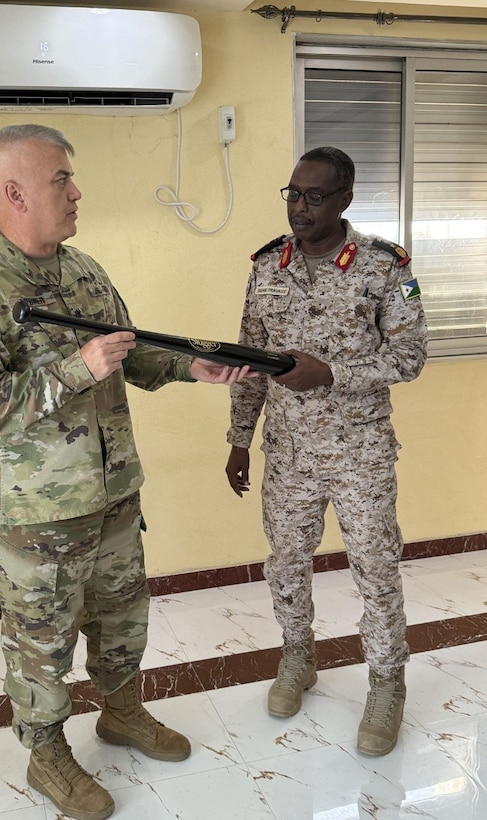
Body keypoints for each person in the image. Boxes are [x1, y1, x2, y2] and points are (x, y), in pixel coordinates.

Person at [0, 123, 251, 820]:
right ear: (14, 193)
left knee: (120, 619)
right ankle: (47, 753)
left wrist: (188, 367)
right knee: (40, 640)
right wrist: (75, 369)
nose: (76, 193)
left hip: (112, 496)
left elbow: (129, 355)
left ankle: (122, 713)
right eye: (61, 181)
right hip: (37, 515)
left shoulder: (85, 272)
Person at [225, 146, 428, 757]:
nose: (299, 207)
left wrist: (333, 373)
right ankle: (297, 656)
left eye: (314, 196)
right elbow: (250, 362)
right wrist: (239, 439)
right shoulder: (267, 267)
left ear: (344, 199)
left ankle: (387, 683)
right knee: (286, 561)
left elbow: (410, 357)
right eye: (291, 193)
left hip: (360, 452)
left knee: (375, 566)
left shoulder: (382, 267)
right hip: (288, 454)